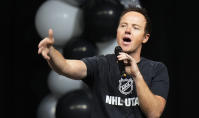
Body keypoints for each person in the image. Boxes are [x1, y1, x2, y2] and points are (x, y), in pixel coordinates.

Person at [38, 6, 169, 118]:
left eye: (135, 27)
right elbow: (65, 67)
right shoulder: (101, 63)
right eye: (123, 25)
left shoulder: (156, 69)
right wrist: (52, 52)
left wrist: (136, 75)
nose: (127, 30)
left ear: (145, 38)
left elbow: (154, 113)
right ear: (117, 32)